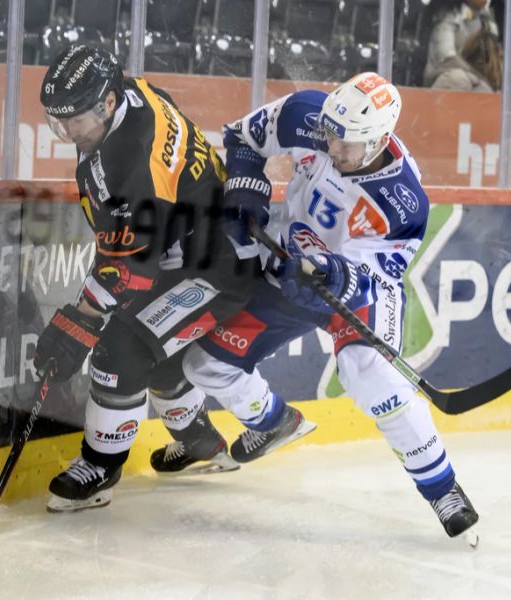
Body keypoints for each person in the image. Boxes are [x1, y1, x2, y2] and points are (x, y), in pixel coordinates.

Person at [177, 73, 479, 540]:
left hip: (351, 291)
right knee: (204, 364)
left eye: (347, 144)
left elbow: (372, 278)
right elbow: (242, 136)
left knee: (371, 376)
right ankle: (272, 422)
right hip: (286, 268)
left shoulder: (403, 203)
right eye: (330, 135)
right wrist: (246, 188)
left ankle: (442, 489)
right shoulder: (309, 115)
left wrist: (329, 273)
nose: (333, 148)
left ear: (378, 140)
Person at [35, 45, 314, 512]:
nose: (66, 133)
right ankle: (202, 444)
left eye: (74, 120)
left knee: (120, 350)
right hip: (193, 250)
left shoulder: (136, 157)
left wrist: (78, 324)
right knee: (160, 356)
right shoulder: (132, 95)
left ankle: (100, 468)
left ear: (106, 103)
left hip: (214, 268)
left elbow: (130, 266)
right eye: (57, 121)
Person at [423, 0, 499, 87]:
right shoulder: (447, 15)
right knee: (459, 79)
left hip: (474, 79)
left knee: (485, 89)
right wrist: (479, 76)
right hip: (442, 77)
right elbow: (448, 60)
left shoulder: (486, 19)